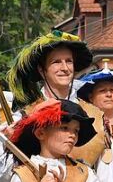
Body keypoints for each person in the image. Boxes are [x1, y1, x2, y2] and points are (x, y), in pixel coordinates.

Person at [8, 31, 106, 166]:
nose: (65, 68)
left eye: (69, 61)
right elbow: (7, 177)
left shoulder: (95, 115)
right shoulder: (26, 115)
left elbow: (106, 175)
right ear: (42, 70)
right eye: (56, 62)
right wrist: (7, 143)